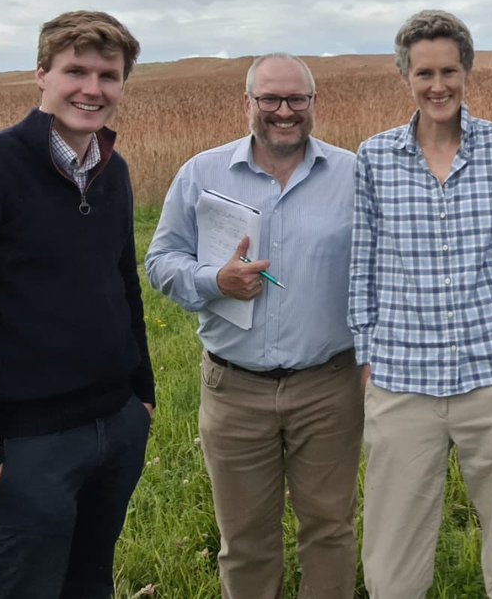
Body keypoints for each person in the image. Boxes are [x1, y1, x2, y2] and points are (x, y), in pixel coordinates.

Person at [349, 10, 492, 599]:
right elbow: (362, 268)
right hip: (402, 385)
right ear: (406, 78)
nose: (438, 85)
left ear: (467, 71)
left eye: (449, 70)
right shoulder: (374, 158)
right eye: (424, 73)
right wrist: (368, 361)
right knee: (392, 569)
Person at [0, 11, 154, 599]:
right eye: (76, 71)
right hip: (26, 448)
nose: (92, 89)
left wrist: (141, 396)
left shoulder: (112, 174)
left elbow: (124, 284)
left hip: (114, 430)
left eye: (108, 76)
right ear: (41, 75)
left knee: (90, 587)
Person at [146, 53, 363, 599]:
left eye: (297, 99)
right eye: (270, 99)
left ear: (314, 104)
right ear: (248, 103)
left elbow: (385, 269)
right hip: (235, 389)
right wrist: (214, 280)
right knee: (244, 541)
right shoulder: (202, 173)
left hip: (329, 386)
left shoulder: (354, 174)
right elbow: (160, 260)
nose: (283, 111)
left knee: (331, 531)